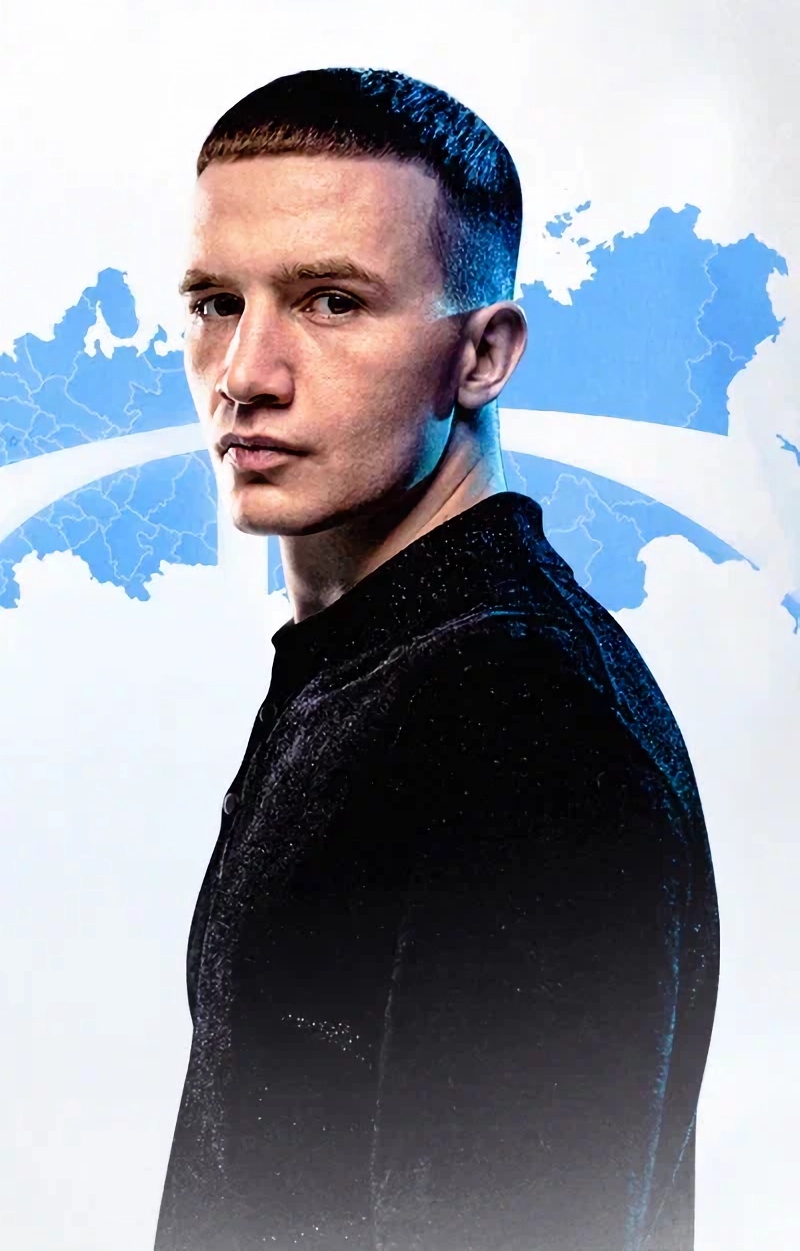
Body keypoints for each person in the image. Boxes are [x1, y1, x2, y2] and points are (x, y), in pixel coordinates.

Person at [155, 68, 719, 1251]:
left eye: (329, 301)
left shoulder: (518, 719)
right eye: (214, 302)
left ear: (483, 354)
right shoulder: (378, 669)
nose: (244, 373)